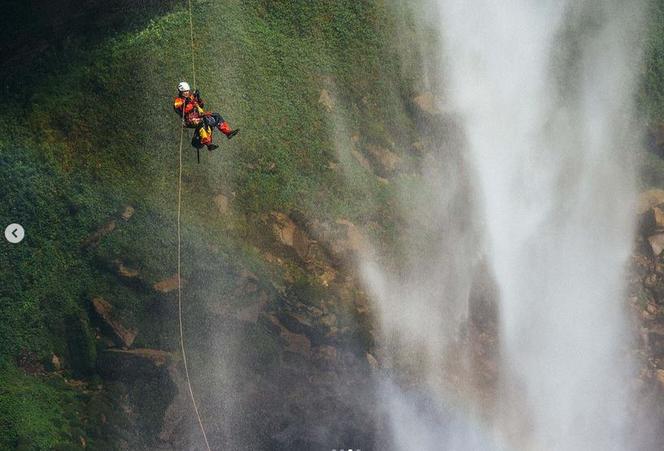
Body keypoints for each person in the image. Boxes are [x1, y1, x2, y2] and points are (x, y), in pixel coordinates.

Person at [173, 81, 239, 151]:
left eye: (187, 91)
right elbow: (179, 109)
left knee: (216, 116)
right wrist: (186, 102)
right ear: (180, 92)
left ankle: (228, 132)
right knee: (202, 122)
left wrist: (198, 97)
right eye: (184, 91)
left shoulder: (191, 97)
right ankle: (208, 144)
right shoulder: (178, 100)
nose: (186, 93)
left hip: (199, 116)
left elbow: (201, 105)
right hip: (189, 120)